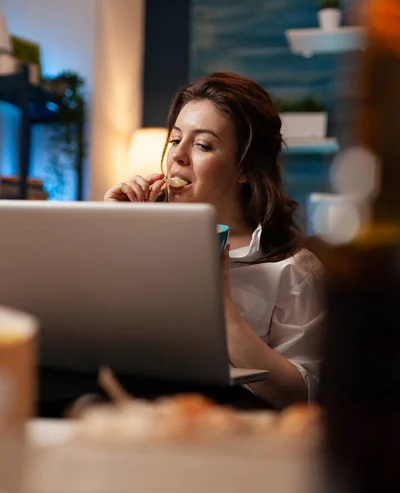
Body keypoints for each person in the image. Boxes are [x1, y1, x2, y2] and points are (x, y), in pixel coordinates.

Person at [105, 72, 324, 407]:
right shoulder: (145, 236)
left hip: (228, 418)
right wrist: (115, 232)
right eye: (175, 140)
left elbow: (302, 395)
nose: (178, 156)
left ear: (244, 169)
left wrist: (220, 302)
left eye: (203, 145)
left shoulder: (293, 269)